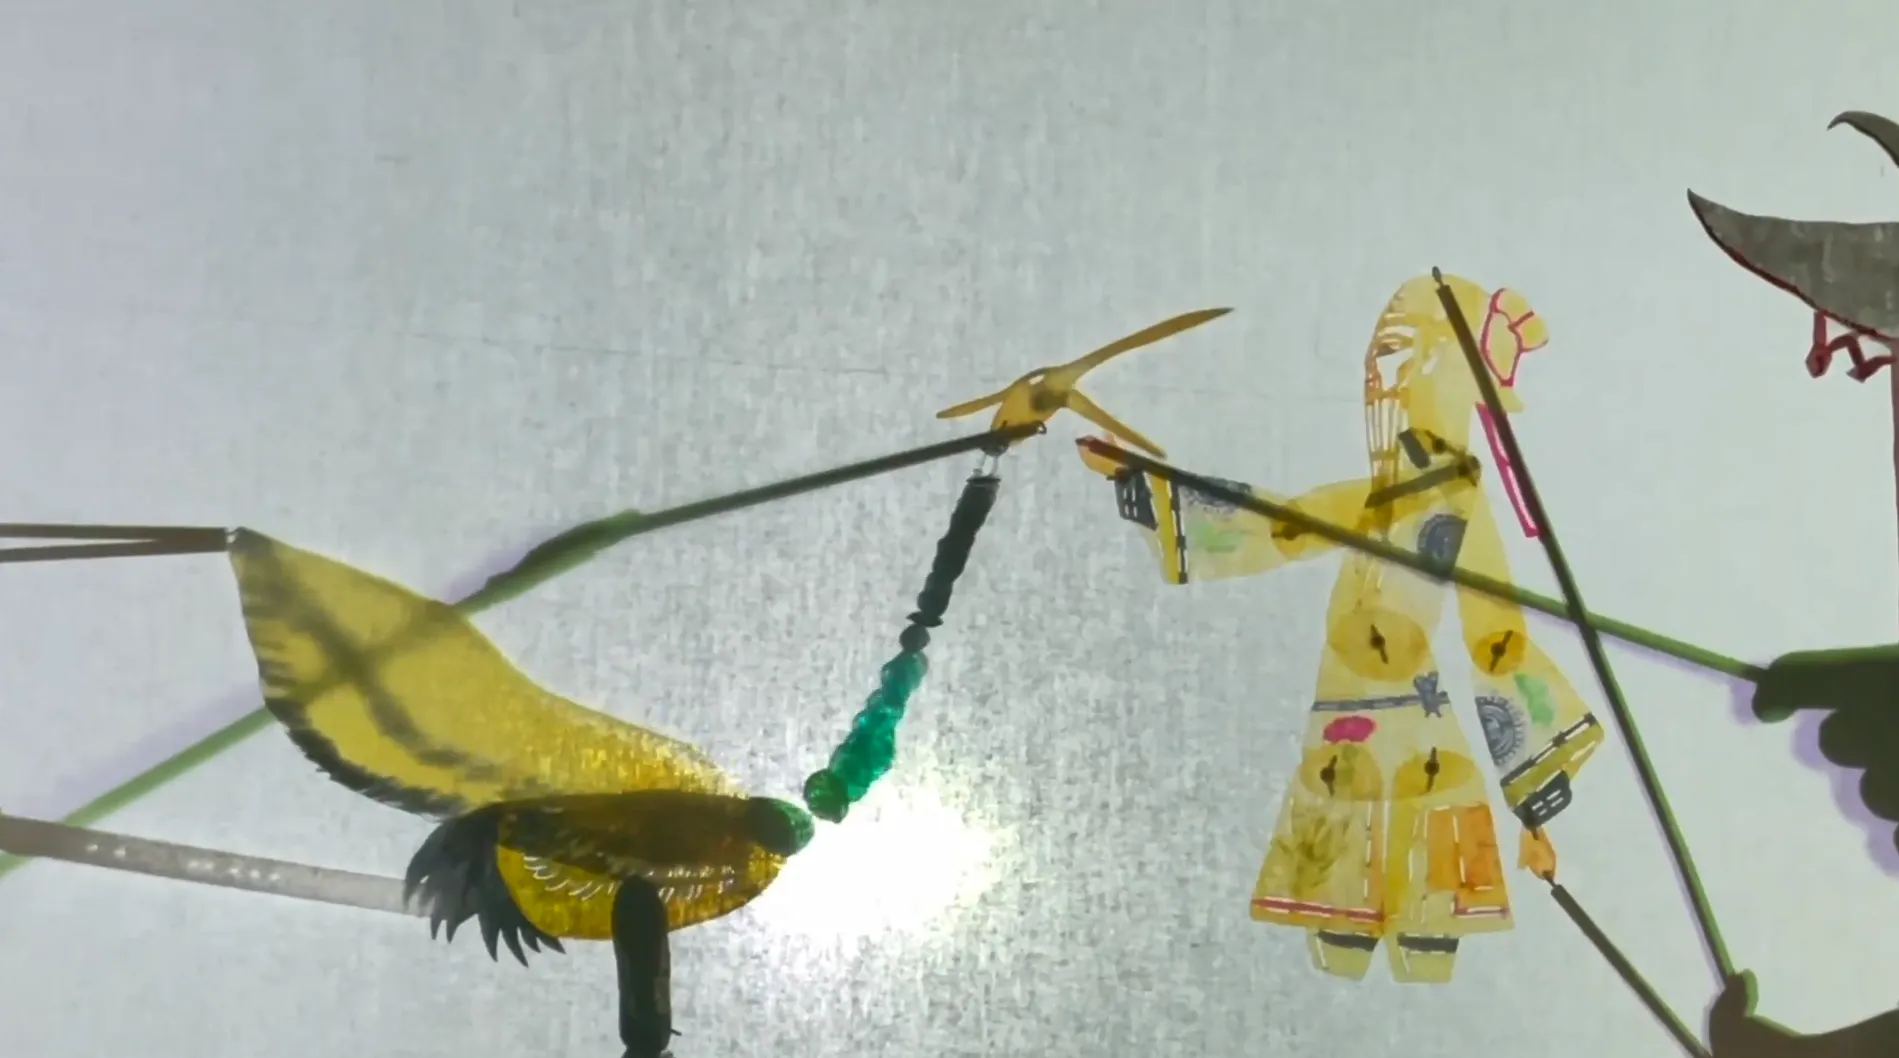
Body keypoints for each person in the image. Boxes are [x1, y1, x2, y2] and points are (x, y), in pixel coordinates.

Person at [1076, 274, 1602, 983]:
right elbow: (1284, 525)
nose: (1401, 391)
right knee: (1344, 844)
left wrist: (1531, 812)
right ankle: (1354, 941)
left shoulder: (1457, 502)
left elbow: (1494, 635)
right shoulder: (1379, 496)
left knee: (1422, 842)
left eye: (1420, 372)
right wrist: (1139, 481)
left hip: (1406, 698)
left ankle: (1419, 942)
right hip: (1350, 696)